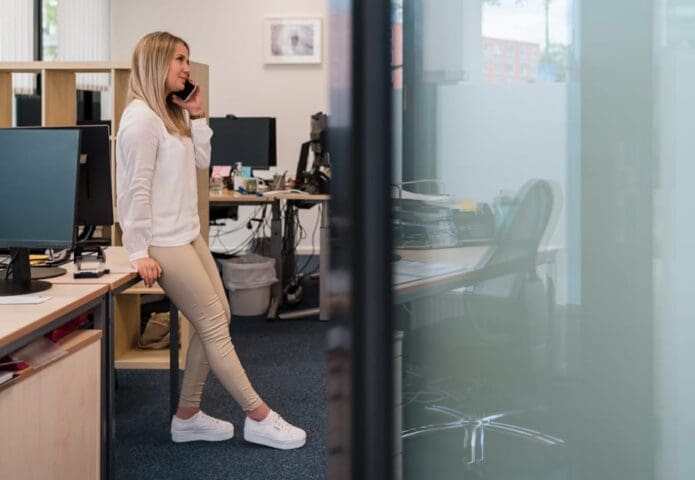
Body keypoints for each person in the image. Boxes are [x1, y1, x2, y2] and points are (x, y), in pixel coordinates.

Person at [117, 31, 306, 450]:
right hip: (163, 241)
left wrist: (198, 115)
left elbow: (202, 163)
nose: (187, 68)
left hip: (187, 233)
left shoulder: (171, 113)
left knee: (220, 317)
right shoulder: (140, 119)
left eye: (188, 59)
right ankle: (258, 415)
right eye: (180, 60)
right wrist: (137, 251)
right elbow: (135, 191)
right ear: (156, 63)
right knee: (215, 327)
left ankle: (187, 416)